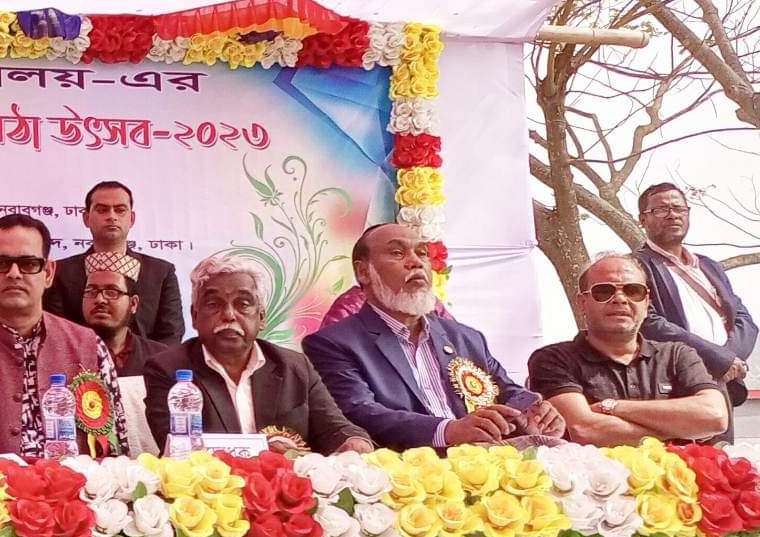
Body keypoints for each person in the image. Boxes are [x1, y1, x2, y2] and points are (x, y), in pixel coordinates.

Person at [304, 222, 563, 449]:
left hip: (487, 465)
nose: (415, 262)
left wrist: (533, 410)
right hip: (406, 474)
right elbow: (359, 412)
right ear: (363, 272)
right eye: (397, 253)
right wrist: (448, 431)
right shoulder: (332, 343)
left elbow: (504, 390)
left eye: (422, 253)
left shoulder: (466, 337)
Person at [0, 214, 125, 457]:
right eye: (1, 263)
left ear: (48, 273)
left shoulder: (90, 347)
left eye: (28, 264)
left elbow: (116, 454)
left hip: (77, 481)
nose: (14, 273)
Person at [144, 252, 371, 455]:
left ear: (261, 317)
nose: (229, 315)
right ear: (194, 317)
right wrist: (263, 452)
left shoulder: (294, 366)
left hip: (286, 485)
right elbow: (178, 449)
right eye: (214, 304)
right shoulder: (168, 369)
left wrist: (353, 441)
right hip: (209, 487)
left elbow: (334, 428)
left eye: (243, 304)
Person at [527, 252, 729, 445]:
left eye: (633, 291)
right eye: (604, 291)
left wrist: (612, 407)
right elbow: (584, 429)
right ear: (582, 303)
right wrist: (681, 430)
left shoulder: (678, 355)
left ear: (647, 303)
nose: (620, 299)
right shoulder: (553, 360)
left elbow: (715, 416)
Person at [633, 183, 754, 410]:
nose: (672, 215)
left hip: (723, 381)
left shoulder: (709, 266)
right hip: (675, 384)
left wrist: (728, 360)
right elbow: (648, 322)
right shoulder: (635, 265)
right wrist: (717, 358)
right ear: (643, 219)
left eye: (679, 208)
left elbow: (744, 320)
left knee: (721, 435)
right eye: (662, 209)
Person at [43, 181, 183, 341]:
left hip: (149, 357)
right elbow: (56, 333)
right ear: (86, 218)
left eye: (120, 210)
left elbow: (171, 335)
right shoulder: (60, 272)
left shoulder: (161, 272)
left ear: (132, 218)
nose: (111, 216)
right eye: (102, 210)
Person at [78, 258, 167, 377]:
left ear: (133, 304)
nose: (99, 299)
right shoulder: (65, 354)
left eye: (112, 292)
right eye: (91, 291)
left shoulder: (160, 357)